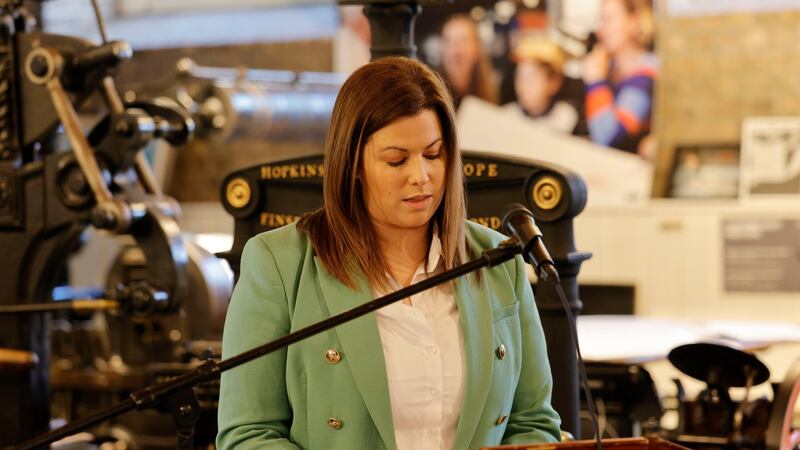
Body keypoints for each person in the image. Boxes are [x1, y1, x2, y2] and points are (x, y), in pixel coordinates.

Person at [216, 56, 561, 449]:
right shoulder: (278, 263)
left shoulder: (499, 260)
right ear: (352, 164)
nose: (421, 177)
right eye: (397, 160)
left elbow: (533, 422)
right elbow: (247, 434)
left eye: (433, 154)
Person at [583, 0, 657, 154]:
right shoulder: (610, 68)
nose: (600, 30)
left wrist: (596, 83)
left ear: (634, 21)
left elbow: (608, 137)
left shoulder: (648, 74)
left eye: (608, 19)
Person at [504, 37, 580, 134]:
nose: (524, 85)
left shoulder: (567, 117)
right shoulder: (506, 116)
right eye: (520, 76)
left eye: (532, 78)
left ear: (554, 83)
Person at [440, 14, 498, 108]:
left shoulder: (493, 91)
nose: (456, 51)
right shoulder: (431, 97)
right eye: (448, 41)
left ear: (477, 49)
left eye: (464, 41)